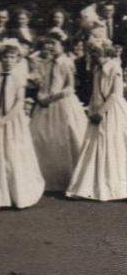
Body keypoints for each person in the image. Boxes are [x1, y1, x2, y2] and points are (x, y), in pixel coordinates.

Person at [0, 44, 45, 211]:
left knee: (12, 155)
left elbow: (18, 104)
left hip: (12, 122)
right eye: (5, 57)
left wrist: (3, 121)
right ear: (0, 59)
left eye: (12, 57)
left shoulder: (19, 77)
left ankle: (19, 195)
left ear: (17, 59)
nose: (8, 61)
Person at [66, 41, 127, 201]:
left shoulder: (114, 67)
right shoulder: (97, 69)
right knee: (95, 145)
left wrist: (102, 111)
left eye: (97, 52)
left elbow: (116, 94)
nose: (94, 56)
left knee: (114, 145)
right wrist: (93, 110)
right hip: (97, 109)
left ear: (106, 52)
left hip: (111, 110)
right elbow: (95, 93)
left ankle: (117, 187)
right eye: (92, 53)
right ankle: (90, 185)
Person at [30, 35, 87, 192]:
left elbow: (70, 87)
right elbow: (43, 84)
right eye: (48, 43)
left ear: (62, 45)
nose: (50, 46)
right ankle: (45, 178)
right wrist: (40, 95)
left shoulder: (66, 62)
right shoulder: (46, 63)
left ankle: (66, 179)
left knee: (65, 138)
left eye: (54, 43)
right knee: (39, 137)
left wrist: (52, 98)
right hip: (45, 104)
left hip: (61, 104)